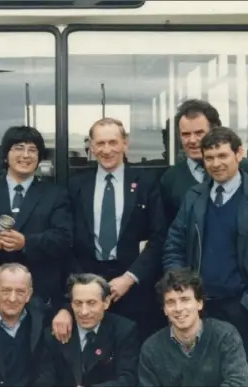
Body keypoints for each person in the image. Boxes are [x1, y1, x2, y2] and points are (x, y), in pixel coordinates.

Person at [162, 127, 248, 386]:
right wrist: (181, 292)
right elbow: (173, 245)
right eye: (209, 158)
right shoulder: (194, 198)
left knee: (241, 378)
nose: (216, 164)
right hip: (199, 309)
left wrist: (247, 307)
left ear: (239, 153)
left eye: (222, 156)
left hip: (241, 311)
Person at [52, 117, 168, 343]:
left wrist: (129, 278)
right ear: (91, 147)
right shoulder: (76, 186)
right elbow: (66, 239)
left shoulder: (146, 182)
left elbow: (159, 237)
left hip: (133, 289)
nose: (107, 150)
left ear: (125, 144)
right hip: (86, 291)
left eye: (113, 142)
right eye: (100, 143)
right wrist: (82, 283)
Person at [0, 125, 73, 317]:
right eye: (18, 148)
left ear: (39, 158)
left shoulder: (55, 194)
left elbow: (63, 238)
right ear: (6, 155)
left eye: (32, 150)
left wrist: (25, 242)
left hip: (40, 296)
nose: (26, 155)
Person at [138, 267, 248, 386]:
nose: (179, 308)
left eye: (185, 300)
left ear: (199, 303)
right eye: (171, 302)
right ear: (165, 309)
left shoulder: (225, 336)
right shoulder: (151, 349)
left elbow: (239, 382)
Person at [160, 99, 248, 223]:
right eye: (186, 134)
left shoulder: (244, 169)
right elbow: (167, 232)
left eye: (199, 133)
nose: (192, 140)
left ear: (214, 132)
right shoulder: (170, 179)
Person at [37, 273, 140, 387]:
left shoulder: (124, 330)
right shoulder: (55, 332)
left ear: (106, 302)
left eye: (91, 303)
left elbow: (128, 380)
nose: (84, 311)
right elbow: (45, 381)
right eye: (78, 303)